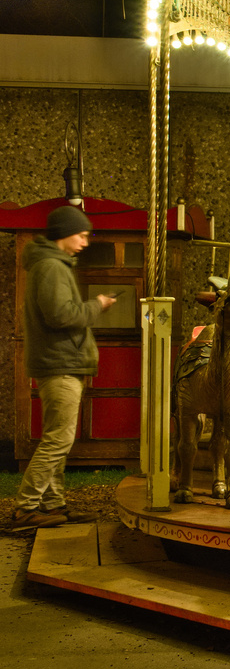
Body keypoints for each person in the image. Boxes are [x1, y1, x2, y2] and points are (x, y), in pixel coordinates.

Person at [11, 207, 116, 528]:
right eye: (81, 234)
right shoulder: (52, 268)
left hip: (57, 363)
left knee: (57, 438)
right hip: (60, 364)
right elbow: (61, 315)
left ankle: (53, 504)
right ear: (64, 233)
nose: (85, 241)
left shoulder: (49, 265)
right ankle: (26, 506)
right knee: (59, 440)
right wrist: (97, 304)